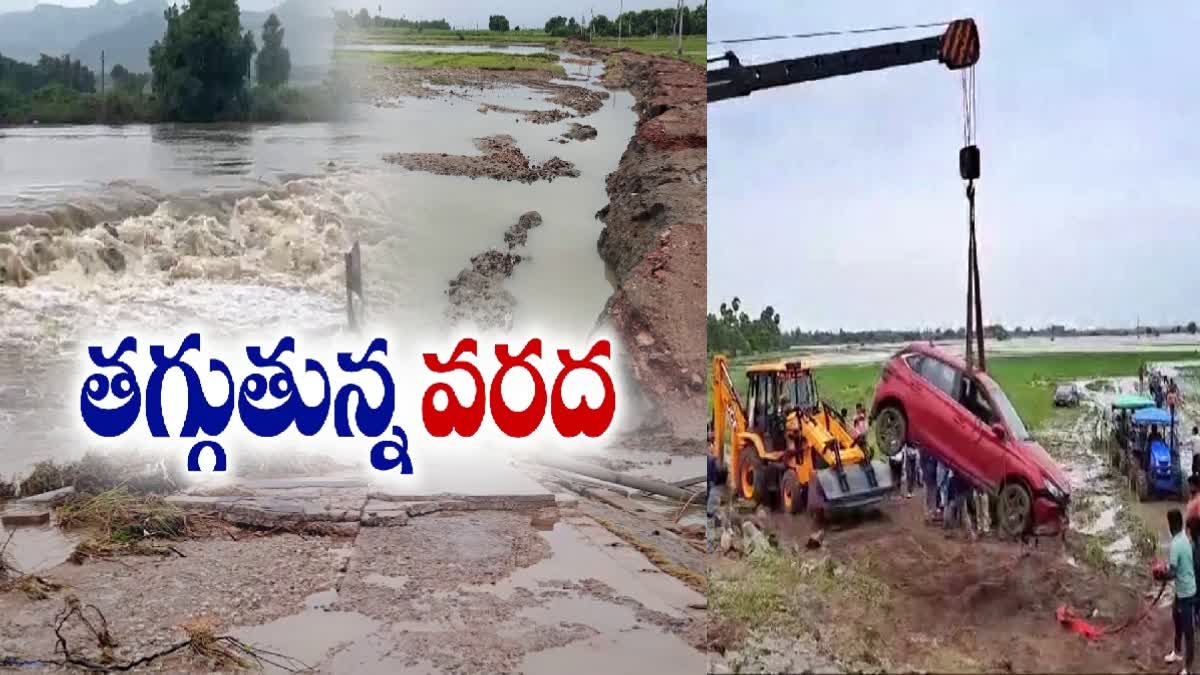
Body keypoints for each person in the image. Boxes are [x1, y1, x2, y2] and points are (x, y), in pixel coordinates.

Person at [1165, 508, 1196, 674]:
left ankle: (1188, 669)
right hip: (1180, 591)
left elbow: (1172, 573)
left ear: (1171, 524)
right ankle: (1176, 653)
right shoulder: (1184, 537)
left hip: (1187, 593)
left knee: (1188, 632)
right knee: (1176, 621)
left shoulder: (1176, 544)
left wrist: (1161, 574)